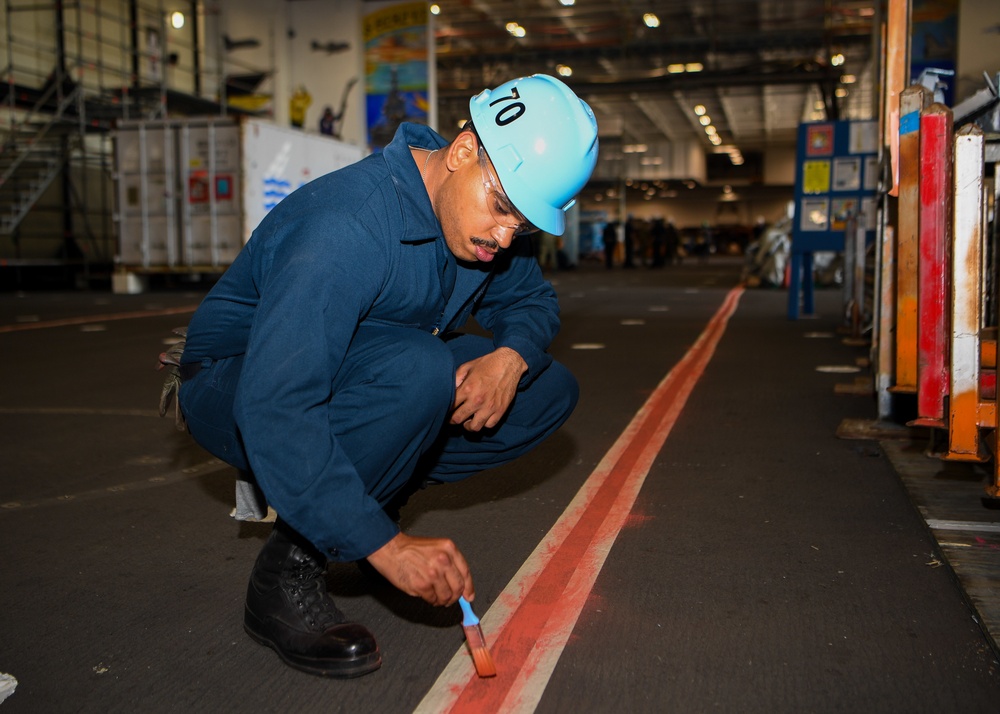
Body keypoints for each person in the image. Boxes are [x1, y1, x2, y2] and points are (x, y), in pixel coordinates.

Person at [171, 74, 598, 678]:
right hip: (236, 382)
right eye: (503, 209)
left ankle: (360, 488)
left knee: (545, 390)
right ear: (463, 151)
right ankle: (287, 571)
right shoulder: (347, 229)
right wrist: (387, 549)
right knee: (419, 373)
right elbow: (275, 405)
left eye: (524, 226)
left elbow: (531, 304)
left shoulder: (482, 218)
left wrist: (511, 358)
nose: (504, 239)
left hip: (359, 365)